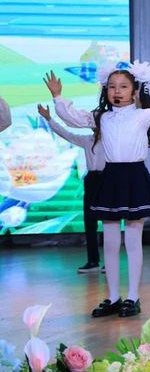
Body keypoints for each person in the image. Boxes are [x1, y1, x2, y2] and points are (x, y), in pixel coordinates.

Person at [45, 56, 150, 318]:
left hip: (134, 177)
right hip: (110, 177)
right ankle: (112, 297)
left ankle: (132, 296)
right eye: (112, 87)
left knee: (132, 240)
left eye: (123, 87)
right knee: (109, 241)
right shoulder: (101, 117)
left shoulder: (143, 115)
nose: (116, 91)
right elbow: (73, 118)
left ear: (134, 91)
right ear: (105, 90)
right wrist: (58, 97)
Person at [37, 104, 106, 273]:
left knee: (109, 222)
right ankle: (93, 261)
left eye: (95, 119)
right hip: (92, 180)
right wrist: (49, 119)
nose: (92, 122)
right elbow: (66, 134)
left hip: (108, 179)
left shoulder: (113, 140)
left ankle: (110, 262)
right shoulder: (87, 140)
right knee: (90, 221)